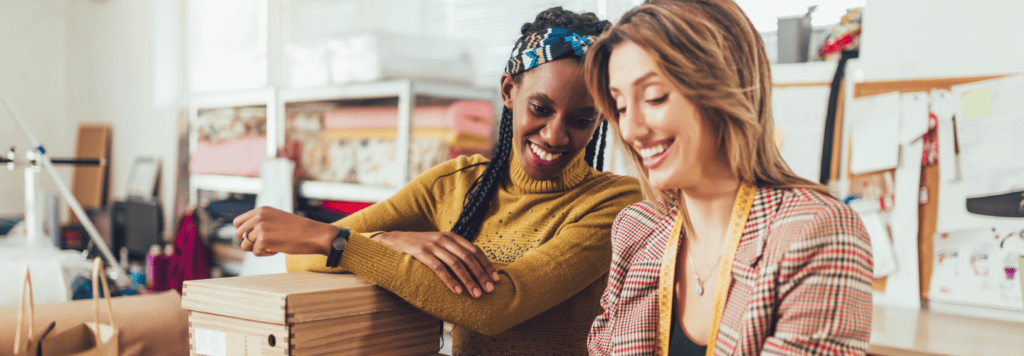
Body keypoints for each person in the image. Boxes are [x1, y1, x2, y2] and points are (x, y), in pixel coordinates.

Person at [231, 7, 642, 355]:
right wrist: (386, 238)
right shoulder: (454, 184)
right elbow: (300, 255)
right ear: (508, 91)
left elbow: (498, 305)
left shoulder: (615, 205)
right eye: (540, 107)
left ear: (601, 117)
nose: (554, 135)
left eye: (581, 119)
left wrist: (337, 241)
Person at [583, 1, 873, 355]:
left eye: (654, 97)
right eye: (621, 106)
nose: (630, 129)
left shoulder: (815, 232)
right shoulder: (636, 229)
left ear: (722, 86)